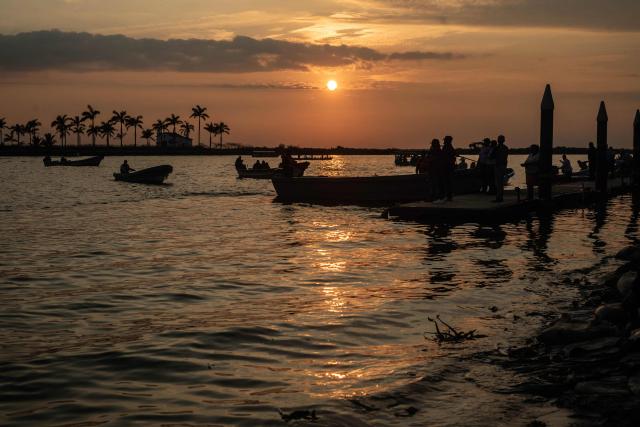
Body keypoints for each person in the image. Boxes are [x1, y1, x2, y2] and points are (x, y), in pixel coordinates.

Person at [493, 135, 508, 202]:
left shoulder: (496, 148)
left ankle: (499, 198)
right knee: (500, 183)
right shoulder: (506, 148)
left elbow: (491, 156)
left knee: (498, 183)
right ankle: (500, 197)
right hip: (503, 166)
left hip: (499, 166)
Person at [442, 136, 456, 201]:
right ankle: (449, 195)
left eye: (445, 140)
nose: (444, 141)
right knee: (448, 181)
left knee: (448, 181)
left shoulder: (447, 147)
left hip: (447, 167)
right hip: (448, 167)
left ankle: (449, 196)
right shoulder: (449, 147)